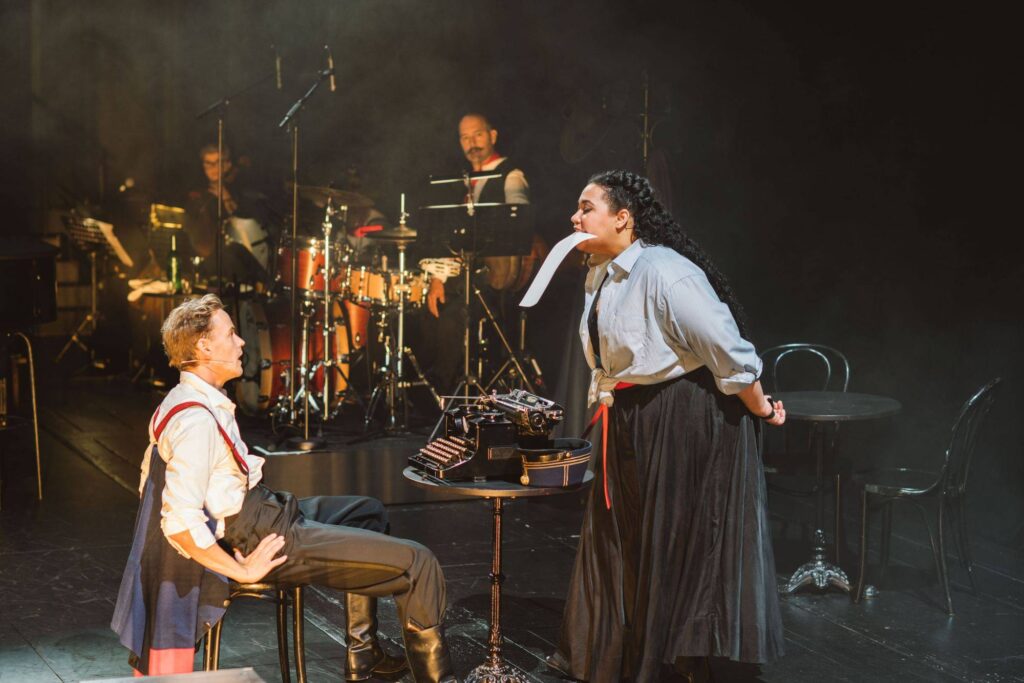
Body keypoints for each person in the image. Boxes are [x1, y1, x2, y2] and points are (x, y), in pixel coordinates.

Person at [111, 294, 457, 682]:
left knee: (367, 511)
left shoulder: (188, 399)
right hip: (263, 535)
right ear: (204, 347)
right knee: (419, 563)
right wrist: (241, 569)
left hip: (266, 510)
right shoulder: (195, 421)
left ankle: (364, 656)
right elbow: (177, 522)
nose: (242, 342)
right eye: (231, 333)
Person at [547, 170, 787, 682]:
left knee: (673, 538)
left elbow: (727, 350)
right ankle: (625, 654)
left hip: (682, 416)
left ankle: (677, 660)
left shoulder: (666, 271)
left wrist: (762, 407)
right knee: (627, 535)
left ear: (623, 218)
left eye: (587, 207)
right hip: (633, 414)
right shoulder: (601, 272)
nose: (575, 217)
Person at [419, 113, 540, 392]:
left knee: (453, 319)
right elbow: (456, 239)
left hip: (497, 281)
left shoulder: (511, 175)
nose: (471, 143)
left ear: (492, 136)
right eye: (465, 137)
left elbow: (518, 220)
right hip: (465, 277)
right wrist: (438, 278)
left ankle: (448, 393)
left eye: (478, 135)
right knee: (428, 312)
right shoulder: (463, 182)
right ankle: (432, 391)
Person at [183, 144, 274, 287]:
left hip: (234, 258)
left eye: (218, 162)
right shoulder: (198, 195)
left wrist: (225, 197)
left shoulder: (239, 191)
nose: (213, 168)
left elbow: (247, 222)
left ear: (227, 165)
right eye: (208, 163)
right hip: (207, 258)